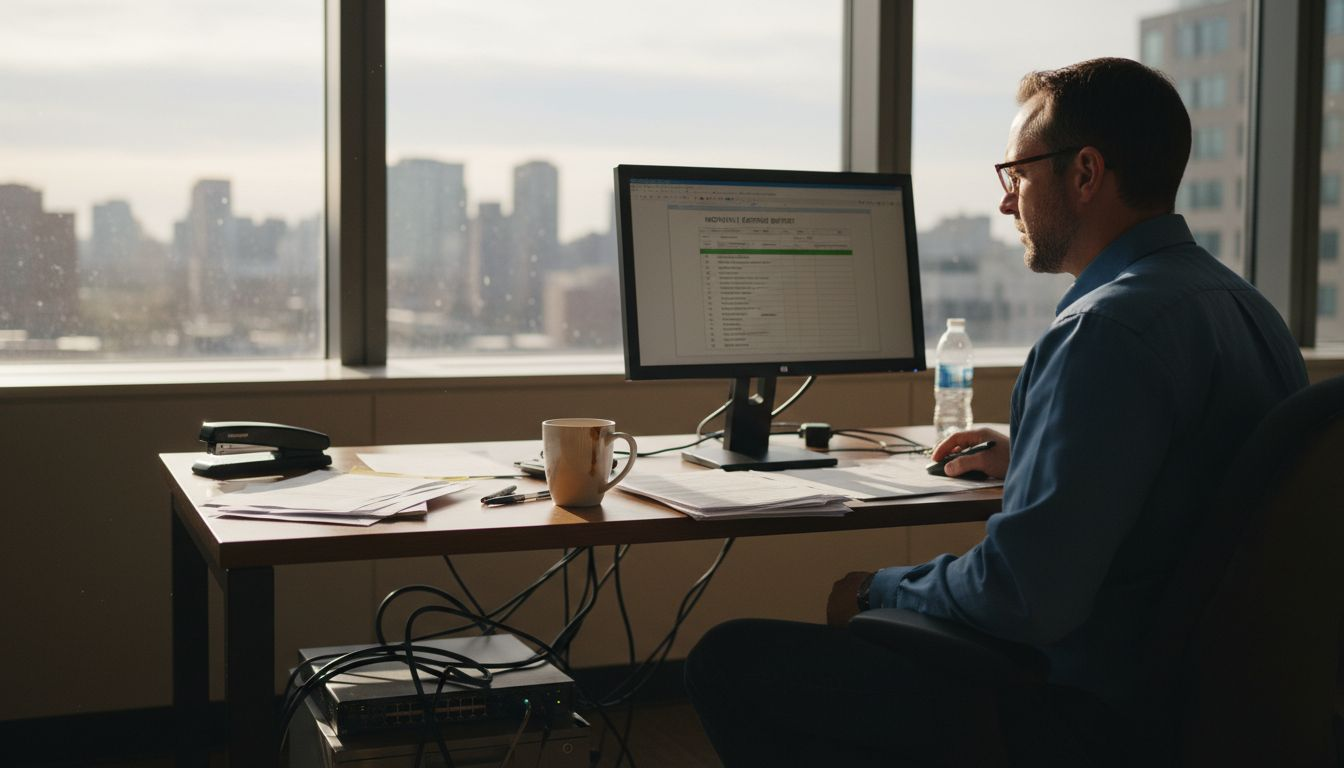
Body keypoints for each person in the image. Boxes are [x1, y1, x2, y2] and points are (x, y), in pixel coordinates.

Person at [684, 57, 1309, 767]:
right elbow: (1194, 482)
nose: (1007, 204)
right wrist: (1038, 456)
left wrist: (874, 589)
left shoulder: (1104, 331)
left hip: (1084, 709)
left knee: (727, 659)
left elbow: (1024, 597)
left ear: (1085, 173)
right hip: (1216, 700)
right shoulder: (1246, 309)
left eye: (1017, 175)